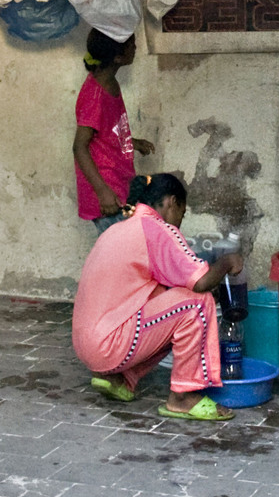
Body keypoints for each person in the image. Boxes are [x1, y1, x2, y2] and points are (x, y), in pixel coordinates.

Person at [71, 174, 244, 421]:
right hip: (110, 345)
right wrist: (227, 260)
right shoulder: (158, 228)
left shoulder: (119, 227)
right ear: (172, 202)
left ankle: (118, 378)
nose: (179, 224)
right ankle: (183, 397)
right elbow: (200, 283)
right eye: (181, 214)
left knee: (171, 299)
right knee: (197, 303)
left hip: (86, 344)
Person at [71, 29, 151, 237]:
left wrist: (132, 142)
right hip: (108, 192)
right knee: (120, 256)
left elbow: (105, 133)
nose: (136, 47)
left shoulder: (109, 84)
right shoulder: (95, 96)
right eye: (131, 44)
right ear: (117, 57)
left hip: (119, 182)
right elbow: (79, 147)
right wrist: (102, 191)